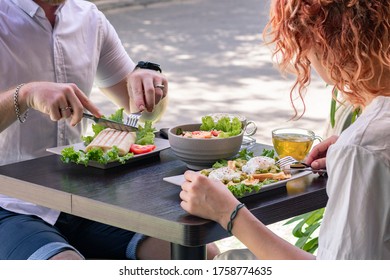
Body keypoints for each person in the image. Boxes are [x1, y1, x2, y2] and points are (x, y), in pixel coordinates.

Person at [0, 0, 219, 260]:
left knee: (201, 254)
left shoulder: (89, 18)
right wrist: (24, 95)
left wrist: (154, 90)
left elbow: (145, 112)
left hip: (81, 196)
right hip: (10, 203)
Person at [180, 0, 390, 260]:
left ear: (322, 39)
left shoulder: (362, 147)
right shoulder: (368, 141)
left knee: (228, 262)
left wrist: (228, 213)